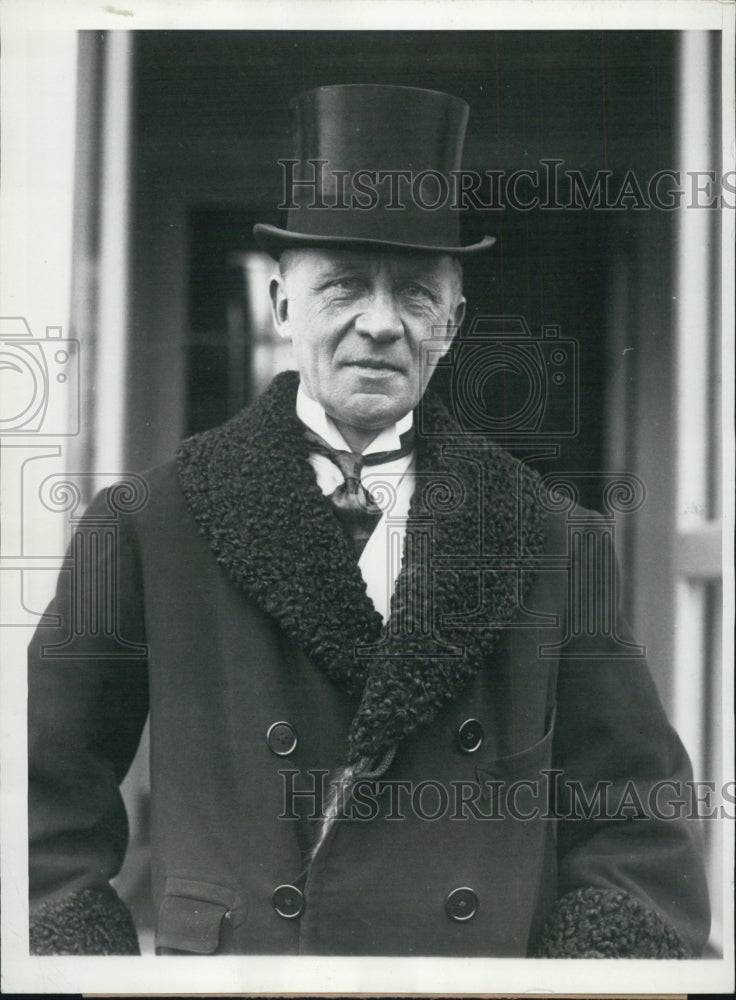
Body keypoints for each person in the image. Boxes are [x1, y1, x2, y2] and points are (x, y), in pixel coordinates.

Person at [28, 84, 710, 958]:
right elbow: (37, 799)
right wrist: (82, 964)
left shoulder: (551, 540)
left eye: (417, 294)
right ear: (281, 305)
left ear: (453, 324)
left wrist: (577, 974)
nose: (380, 323)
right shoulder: (146, 525)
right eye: (345, 284)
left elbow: (639, 824)